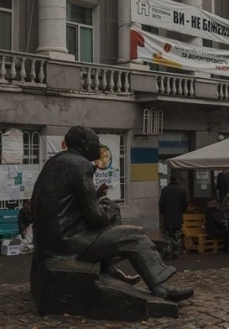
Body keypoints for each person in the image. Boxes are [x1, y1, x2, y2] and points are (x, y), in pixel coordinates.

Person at [31, 126, 192, 302]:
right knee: (134, 236)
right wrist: (104, 214)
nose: (99, 148)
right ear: (84, 144)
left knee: (112, 208)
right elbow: (95, 217)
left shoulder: (55, 162)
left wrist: (106, 210)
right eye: (96, 143)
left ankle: (111, 268)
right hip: (68, 243)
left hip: (49, 240)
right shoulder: (80, 164)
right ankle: (161, 287)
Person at [159, 176, 189, 260]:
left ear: (170, 180)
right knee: (177, 237)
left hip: (167, 217)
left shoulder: (165, 190)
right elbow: (186, 203)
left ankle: (167, 253)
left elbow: (161, 203)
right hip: (178, 217)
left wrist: (163, 212)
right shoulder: (182, 190)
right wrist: (181, 211)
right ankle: (176, 253)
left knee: (167, 237)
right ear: (177, 179)